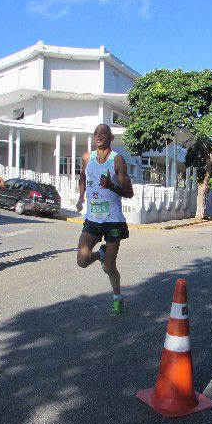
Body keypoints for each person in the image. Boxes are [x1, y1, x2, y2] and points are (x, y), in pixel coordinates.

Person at [76, 124, 134, 315]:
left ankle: (117, 298)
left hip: (113, 220)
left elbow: (129, 193)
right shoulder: (87, 158)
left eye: (103, 133)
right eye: (96, 133)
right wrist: (81, 196)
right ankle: (99, 255)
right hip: (92, 218)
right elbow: (82, 177)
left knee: (109, 267)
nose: (98, 136)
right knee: (82, 260)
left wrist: (111, 186)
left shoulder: (117, 160)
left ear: (111, 138)